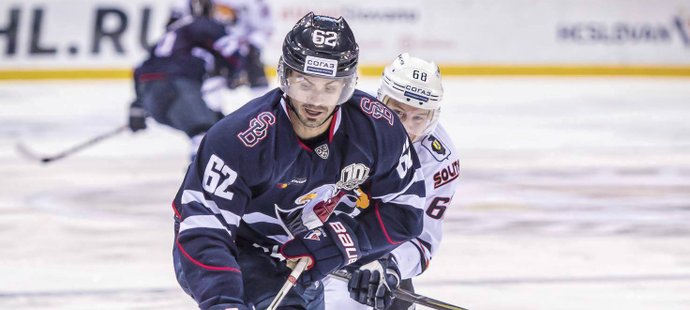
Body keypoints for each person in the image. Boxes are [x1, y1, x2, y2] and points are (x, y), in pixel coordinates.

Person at [171, 12, 427, 309]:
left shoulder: (377, 128)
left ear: (347, 85)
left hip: (306, 254)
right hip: (238, 248)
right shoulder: (239, 138)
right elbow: (204, 229)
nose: (316, 101)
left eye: (330, 87)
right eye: (305, 84)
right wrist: (223, 300)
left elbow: (405, 210)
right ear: (286, 76)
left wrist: (338, 243)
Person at [322, 53, 460, 310]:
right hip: (320, 243)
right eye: (397, 112)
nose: (406, 127)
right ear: (380, 99)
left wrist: (391, 264)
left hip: (376, 251)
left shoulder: (439, 162)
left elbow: (422, 240)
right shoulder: (345, 124)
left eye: (419, 117)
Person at [127, 0, 245, 158]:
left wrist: (138, 105)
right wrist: (237, 72)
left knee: (215, 126)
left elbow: (141, 69)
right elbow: (232, 53)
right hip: (177, 87)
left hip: (150, 93)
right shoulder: (202, 24)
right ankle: (201, 179)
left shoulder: (172, 32)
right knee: (205, 132)